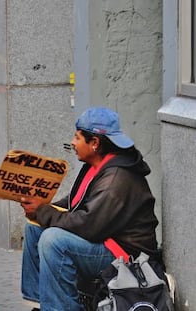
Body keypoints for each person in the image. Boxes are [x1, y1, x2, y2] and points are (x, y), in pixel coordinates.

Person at [20, 107, 160, 311]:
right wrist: (42, 208)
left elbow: (89, 225)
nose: (73, 142)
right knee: (34, 229)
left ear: (94, 143)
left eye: (77, 137)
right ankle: (40, 302)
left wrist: (42, 211)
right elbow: (75, 203)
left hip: (126, 253)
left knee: (53, 241)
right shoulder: (97, 165)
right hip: (105, 237)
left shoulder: (116, 178)